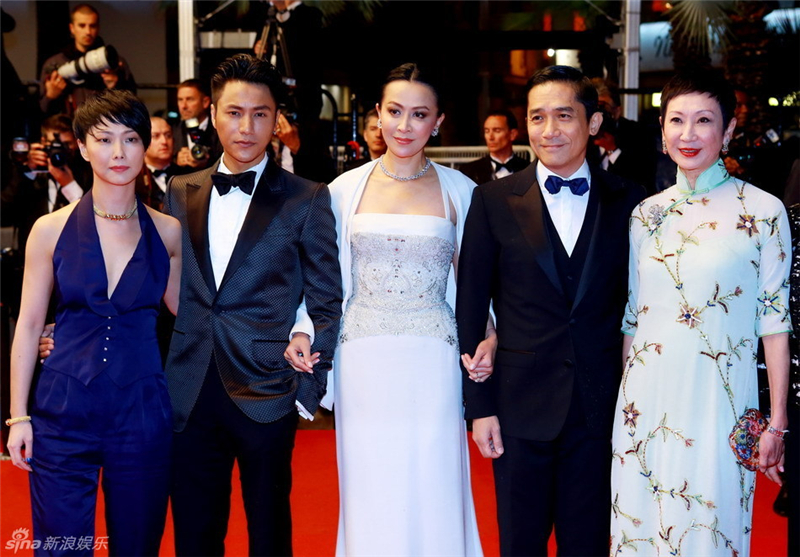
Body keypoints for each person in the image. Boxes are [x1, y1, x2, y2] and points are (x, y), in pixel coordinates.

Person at [456, 65, 645, 556]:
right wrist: (480, 408)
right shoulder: (493, 199)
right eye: (537, 117)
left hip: (600, 407)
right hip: (519, 407)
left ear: (595, 124)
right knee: (520, 542)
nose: (549, 130)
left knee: (587, 543)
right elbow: (471, 305)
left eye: (564, 115)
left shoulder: (632, 201)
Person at [165, 54, 342, 556]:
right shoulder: (180, 189)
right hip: (189, 384)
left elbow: (327, 296)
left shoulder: (306, 197)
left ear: (276, 120)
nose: (246, 127)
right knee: (196, 531)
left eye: (260, 114)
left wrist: (308, 383)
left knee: (269, 531)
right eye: (234, 112)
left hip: (266, 386)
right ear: (213, 115)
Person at [610, 70, 790, 557]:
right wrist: (622, 407)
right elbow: (633, 315)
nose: (688, 135)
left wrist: (776, 423)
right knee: (641, 533)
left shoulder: (764, 211)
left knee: (711, 531)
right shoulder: (644, 214)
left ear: (728, 130)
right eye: (677, 121)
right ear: (662, 130)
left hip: (719, 404)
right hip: (643, 407)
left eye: (704, 121)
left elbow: (774, 324)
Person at [7, 89, 181, 555]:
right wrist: (18, 416)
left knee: (137, 544)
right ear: (82, 147)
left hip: (142, 414)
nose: (119, 153)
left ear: (146, 147)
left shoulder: (167, 231)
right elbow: (27, 326)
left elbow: (193, 316)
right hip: (62, 413)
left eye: (130, 139)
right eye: (104, 140)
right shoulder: (50, 229)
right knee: (62, 546)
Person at [328, 62, 492, 556]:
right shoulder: (341, 191)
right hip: (361, 362)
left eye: (418, 114)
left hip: (433, 364)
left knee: (434, 482)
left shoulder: (462, 192)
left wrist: (491, 337)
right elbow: (324, 284)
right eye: (394, 112)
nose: (404, 125)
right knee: (369, 487)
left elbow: (477, 287)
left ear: (438, 122)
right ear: (376, 115)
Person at [7, 114, 92, 257]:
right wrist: (28, 170)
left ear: (76, 145)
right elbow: (5, 211)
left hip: (76, 258)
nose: (59, 151)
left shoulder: (87, 172)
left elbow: (93, 221)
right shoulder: (29, 173)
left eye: (66, 145)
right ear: (43, 143)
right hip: (33, 258)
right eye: (53, 144)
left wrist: (69, 185)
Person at [39, 3, 136, 116]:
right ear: (72, 28)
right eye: (82, 25)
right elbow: (42, 110)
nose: (88, 32)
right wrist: (51, 96)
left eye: (92, 26)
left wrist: (116, 86)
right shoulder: (55, 63)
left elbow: (132, 104)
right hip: (68, 129)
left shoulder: (114, 62)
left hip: (104, 127)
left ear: (98, 27)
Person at [459, 109, 529, 185]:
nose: (490, 137)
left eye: (497, 130)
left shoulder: (528, 169)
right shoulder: (469, 171)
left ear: (512, 134)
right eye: (487, 131)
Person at [136, 116, 190, 211]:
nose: (164, 141)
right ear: (143, 142)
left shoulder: (188, 175)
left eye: (168, 135)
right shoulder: (134, 179)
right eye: (155, 136)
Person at [172, 78, 222, 170]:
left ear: (205, 102)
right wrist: (175, 161)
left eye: (189, 99)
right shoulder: (172, 132)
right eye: (180, 100)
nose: (184, 106)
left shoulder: (220, 130)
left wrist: (208, 162)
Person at [342, 108, 386, 172]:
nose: (378, 134)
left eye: (382, 129)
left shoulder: (400, 169)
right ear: (365, 135)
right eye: (373, 129)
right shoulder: (355, 170)